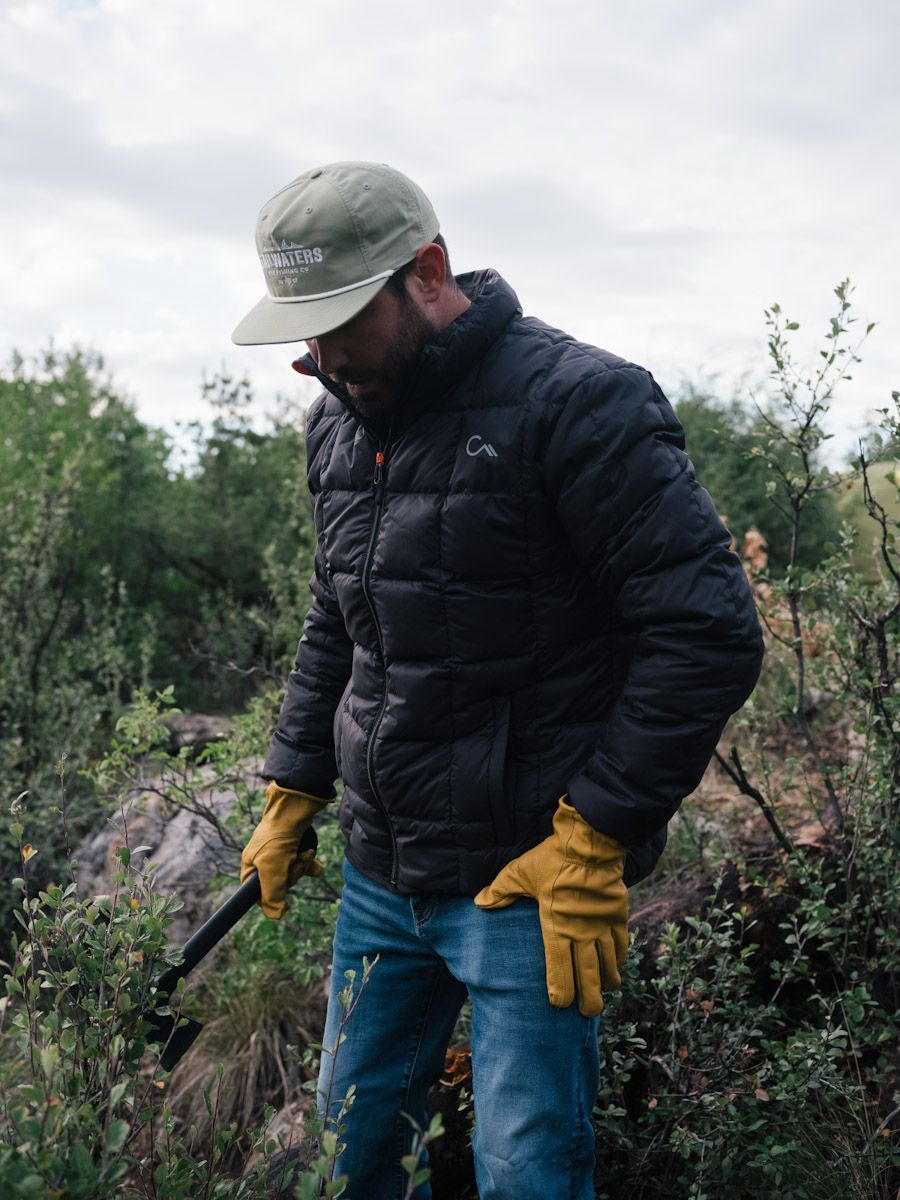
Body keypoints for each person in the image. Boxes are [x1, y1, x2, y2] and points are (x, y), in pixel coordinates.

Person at [232, 161, 764, 1200]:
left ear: (426, 272)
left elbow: (705, 631)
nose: (324, 358)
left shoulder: (581, 402)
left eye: (344, 321)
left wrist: (596, 836)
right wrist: (295, 783)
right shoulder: (338, 420)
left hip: (530, 881)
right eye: (307, 329)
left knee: (528, 1172)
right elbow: (337, 614)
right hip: (383, 875)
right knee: (351, 1156)